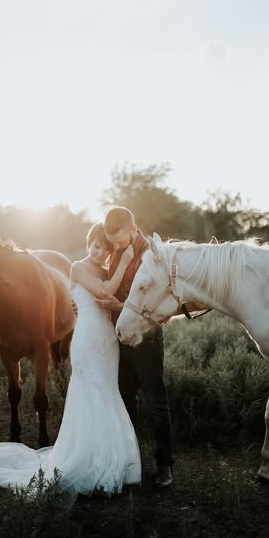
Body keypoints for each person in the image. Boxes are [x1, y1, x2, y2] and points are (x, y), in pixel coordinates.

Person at [0, 223, 141, 501]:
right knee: (89, 390)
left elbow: (114, 295)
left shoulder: (107, 269)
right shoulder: (78, 268)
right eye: (96, 246)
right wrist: (126, 261)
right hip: (86, 340)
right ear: (89, 244)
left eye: (105, 248)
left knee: (108, 391)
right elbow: (106, 292)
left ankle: (111, 455)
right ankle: (84, 457)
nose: (99, 252)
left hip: (107, 340)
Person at [96, 206, 174, 488]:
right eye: (112, 241)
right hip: (121, 335)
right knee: (125, 400)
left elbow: (157, 300)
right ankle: (131, 461)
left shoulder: (152, 254)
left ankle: (165, 465)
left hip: (146, 337)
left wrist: (118, 306)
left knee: (155, 402)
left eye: (119, 240)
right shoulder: (117, 251)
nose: (115, 246)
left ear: (132, 228)